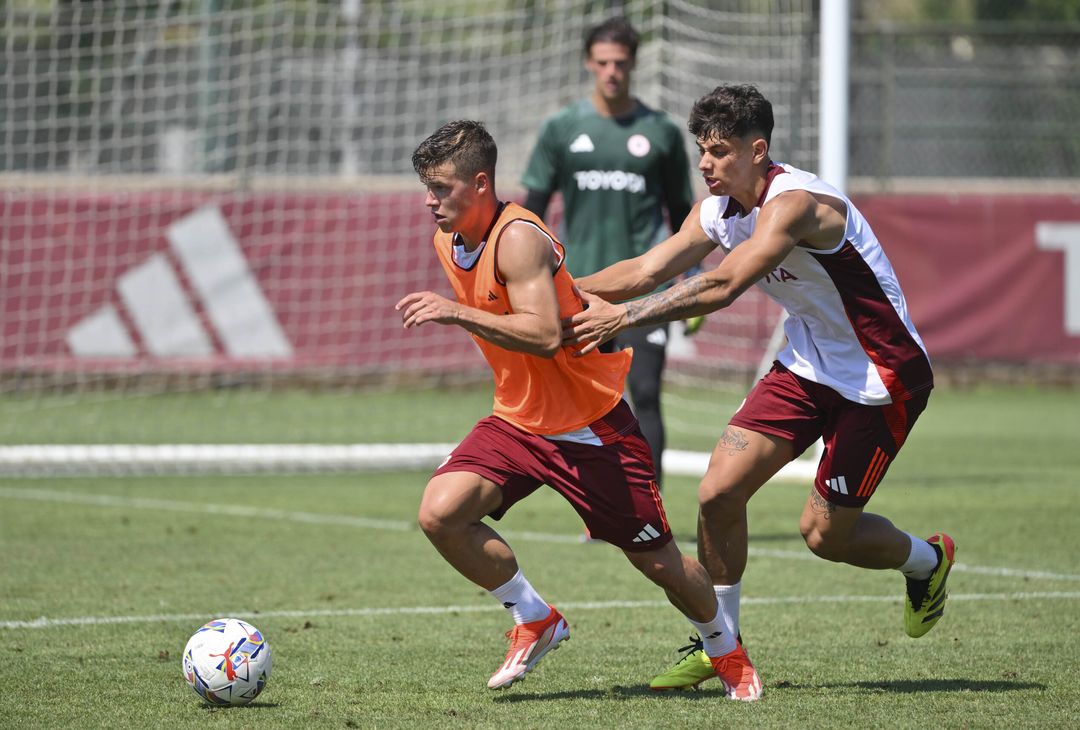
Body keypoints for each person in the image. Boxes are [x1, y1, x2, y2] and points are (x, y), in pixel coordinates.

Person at [562, 84, 956, 699]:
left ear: (757, 150)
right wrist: (556, 294)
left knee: (825, 536)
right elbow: (645, 269)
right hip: (805, 367)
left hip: (880, 380)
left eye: (719, 151)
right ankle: (722, 646)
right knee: (718, 492)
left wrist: (624, 317)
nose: (705, 163)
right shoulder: (717, 210)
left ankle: (928, 562)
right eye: (701, 149)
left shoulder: (795, 205)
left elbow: (722, 286)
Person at [397, 119, 758, 696]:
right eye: (427, 187)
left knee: (660, 563)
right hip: (517, 420)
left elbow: (544, 336)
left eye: (441, 187)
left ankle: (725, 649)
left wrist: (456, 311)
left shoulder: (519, 239)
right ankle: (534, 617)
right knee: (440, 514)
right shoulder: (449, 239)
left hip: (591, 427)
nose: (429, 201)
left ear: (481, 183)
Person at [521, 17, 696, 480]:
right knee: (584, 403)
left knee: (646, 394)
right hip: (577, 290)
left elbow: (684, 217)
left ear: (634, 63)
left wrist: (693, 277)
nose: (611, 71)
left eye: (620, 62)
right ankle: (599, 505)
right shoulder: (562, 128)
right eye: (602, 63)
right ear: (588, 63)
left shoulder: (661, 131)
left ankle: (652, 508)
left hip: (644, 290)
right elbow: (530, 214)